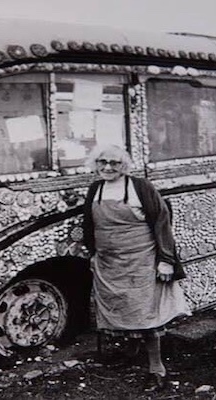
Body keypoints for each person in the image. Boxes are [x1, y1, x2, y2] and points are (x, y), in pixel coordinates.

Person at [82, 145, 191, 391]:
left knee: (146, 314)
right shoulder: (95, 189)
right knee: (120, 309)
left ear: (124, 166)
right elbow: (89, 224)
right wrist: (93, 254)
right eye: (102, 162)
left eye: (114, 163)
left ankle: (156, 369)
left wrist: (166, 260)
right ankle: (131, 353)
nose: (107, 167)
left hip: (141, 259)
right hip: (110, 262)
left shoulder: (141, 188)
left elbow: (162, 221)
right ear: (95, 163)